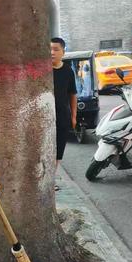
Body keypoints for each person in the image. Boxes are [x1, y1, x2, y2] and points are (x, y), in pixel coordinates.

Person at [51, 37, 77, 190]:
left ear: (63, 52)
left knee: (58, 151)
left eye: (56, 49)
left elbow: (72, 94)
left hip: (62, 116)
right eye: (50, 49)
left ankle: (51, 179)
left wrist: (73, 116)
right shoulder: (43, 70)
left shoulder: (68, 70)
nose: (52, 52)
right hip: (46, 117)